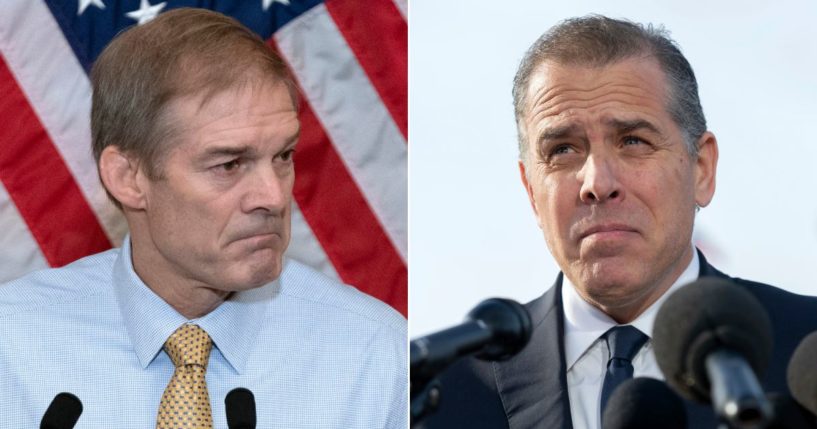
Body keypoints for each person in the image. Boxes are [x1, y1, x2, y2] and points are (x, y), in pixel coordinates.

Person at [0, 8, 406, 428]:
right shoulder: (10, 347)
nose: (273, 195)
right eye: (229, 164)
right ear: (128, 178)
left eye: (283, 156)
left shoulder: (373, 354)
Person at [422, 15, 817, 429]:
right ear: (530, 191)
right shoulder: (441, 396)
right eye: (563, 150)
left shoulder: (807, 350)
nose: (597, 183)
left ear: (701, 169)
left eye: (632, 141)